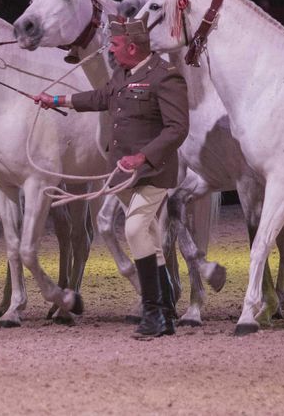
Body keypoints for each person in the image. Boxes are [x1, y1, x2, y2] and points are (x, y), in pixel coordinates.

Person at [35, 17, 189, 338]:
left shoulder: (165, 76)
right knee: (152, 243)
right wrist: (57, 101)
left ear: (132, 47)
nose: (111, 51)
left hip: (154, 171)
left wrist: (144, 155)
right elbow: (100, 98)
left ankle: (151, 313)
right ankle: (165, 314)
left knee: (134, 228)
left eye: (115, 46)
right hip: (125, 173)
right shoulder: (122, 74)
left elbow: (177, 128)